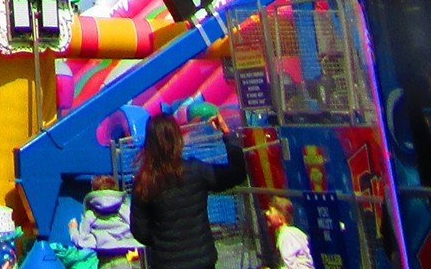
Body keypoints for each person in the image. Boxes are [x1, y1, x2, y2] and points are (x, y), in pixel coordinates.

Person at [128, 114, 244, 269]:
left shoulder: (143, 182)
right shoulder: (196, 171)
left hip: (166, 262)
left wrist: (162, 240)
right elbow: (237, 173)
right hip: (202, 261)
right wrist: (227, 134)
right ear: (177, 139)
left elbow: (139, 231)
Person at [68, 176, 137, 262]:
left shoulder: (91, 214)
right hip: (128, 260)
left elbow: (82, 242)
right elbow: (137, 230)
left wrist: (73, 229)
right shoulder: (124, 208)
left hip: (106, 262)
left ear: (93, 189)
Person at [263, 199, 315, 269]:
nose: (267, 213)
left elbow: (290, 265)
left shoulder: (285, 235)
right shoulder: (294, 232)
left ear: (280, 219)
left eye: (271, 211)